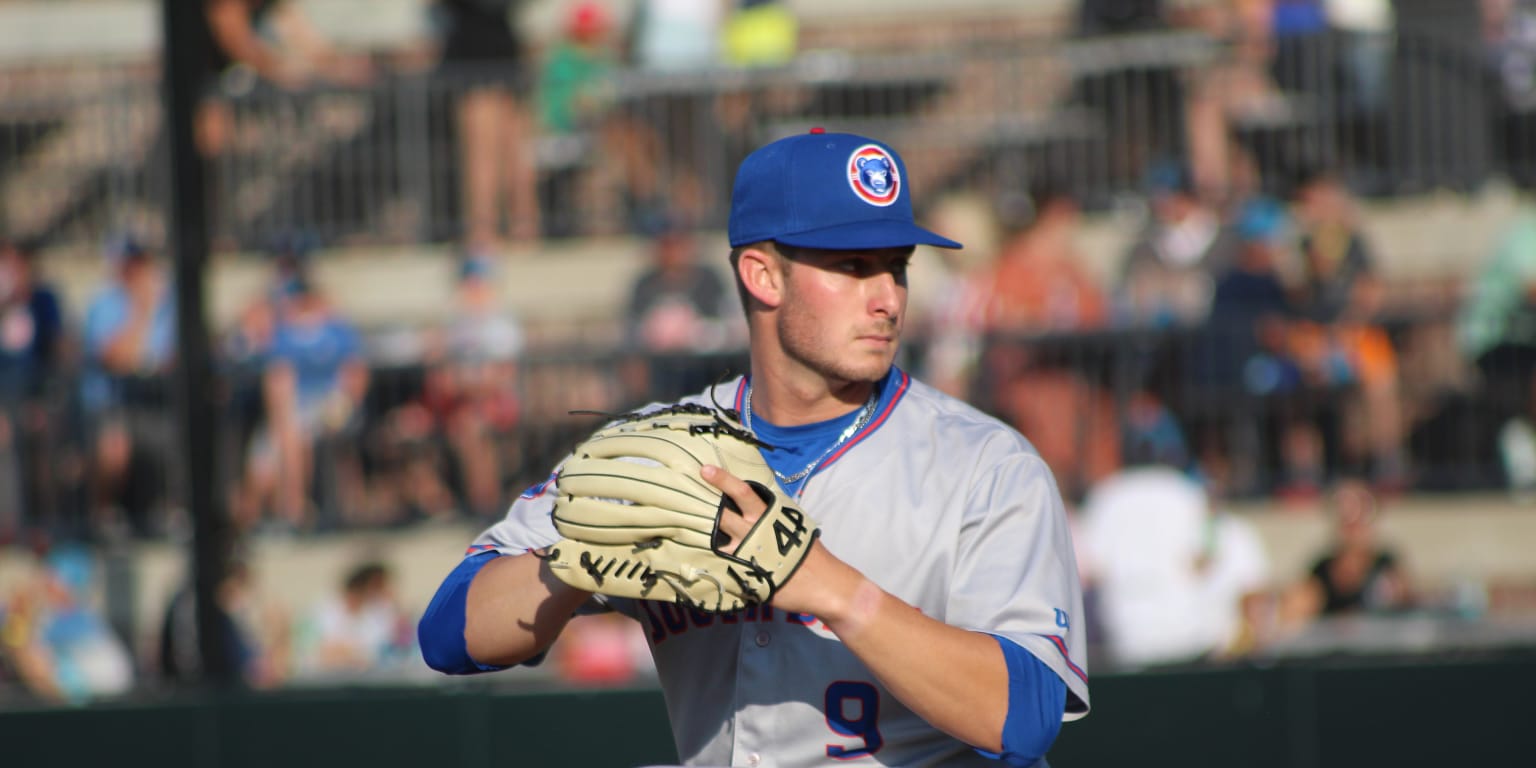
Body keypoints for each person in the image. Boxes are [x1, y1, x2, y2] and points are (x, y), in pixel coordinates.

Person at [419, 130, 1089, 766]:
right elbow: (448, 634)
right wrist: (571, 563)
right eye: (853, 267)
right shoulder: (660, 452)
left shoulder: (985, 466)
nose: (887, 298)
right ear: (763, 276)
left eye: (897, 267)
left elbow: (1026, 715)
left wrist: (833, 590)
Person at [435, 0, 540, 252]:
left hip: (493, 60)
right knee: (487, 154)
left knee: (509, 153)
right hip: (480, 60)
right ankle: (489, 230)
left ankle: (512, 226)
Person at [1290, 479, 1413, 617]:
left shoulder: (1386, 566)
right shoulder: (1321, 570)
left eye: (1360, 515)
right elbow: (1299, 609)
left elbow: (1405, 606)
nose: (1353, 525)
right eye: (1346, 517)